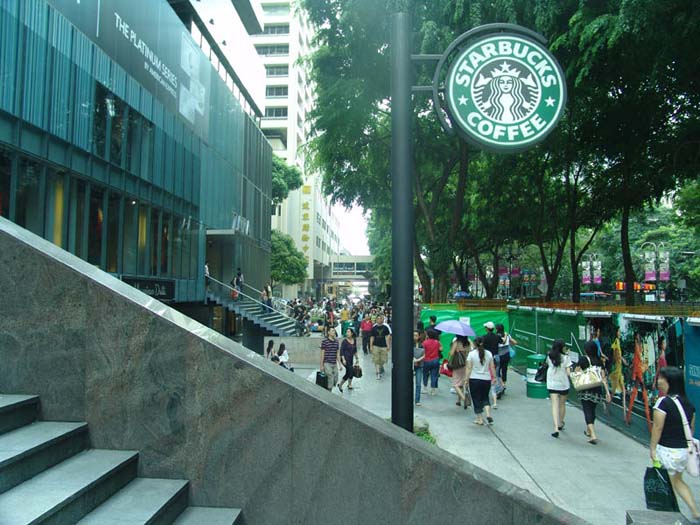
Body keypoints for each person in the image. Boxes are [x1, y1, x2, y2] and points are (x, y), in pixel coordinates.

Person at [650, 366, 700, 521]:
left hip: (667, 451)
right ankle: (695, 511)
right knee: (677, 482)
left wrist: (652, 448)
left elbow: (657, 428)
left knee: (667, 486)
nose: (658, 381)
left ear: (669, 381)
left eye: (661, 378)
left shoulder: (663, 403)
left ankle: (673, 516)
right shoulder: (689, 405)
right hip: (683, 452)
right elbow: (691, 429)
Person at [576, 342, 611, 444]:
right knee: (592, 410)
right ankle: (588, 431)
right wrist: (607, 392)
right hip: (597, 389)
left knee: (587, 410)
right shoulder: (599, 361)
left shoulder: (583, 359)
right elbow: (603, 378)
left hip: (586, 389)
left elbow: (577, 372)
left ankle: (593, 435)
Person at [465, 337, 496, 426]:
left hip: (474, 379)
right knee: (485, 397)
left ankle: (480, 419)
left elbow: (469, 367)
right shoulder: (489, 353)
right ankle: (488, 414)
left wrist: (466, 379)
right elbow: (492, 366)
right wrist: (494, 377)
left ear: (475, 344)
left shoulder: (471, 354)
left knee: (476, 398)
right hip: (486, 379)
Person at [546, 339, 571, 438]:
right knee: (562, 404)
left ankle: (555, 428)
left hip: (552, 383)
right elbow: (568, 373)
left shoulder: (549, 356)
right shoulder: (566, 358)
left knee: (554, 405)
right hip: (563, 384)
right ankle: (560, 422)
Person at [496, 323, 517, 397]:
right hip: (506, 355)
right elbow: (515, 342)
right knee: (504, 370)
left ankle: (500, 385)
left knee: (497, 371)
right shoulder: (507, 335)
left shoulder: (496, 336)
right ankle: (504, 384)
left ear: (497, 329)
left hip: (499, 355)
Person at [609, 327, 628, 411]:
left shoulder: (618, 342)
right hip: (617, 369)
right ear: (616, 333)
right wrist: (622, 360)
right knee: (613, 391)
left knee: (623, 390)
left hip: (619, 369)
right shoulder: (616, 342)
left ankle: (624, 407)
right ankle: (607, 406)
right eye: (619, 331)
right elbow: (616, 355)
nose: (620, 333)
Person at [448, 335, 470, 408]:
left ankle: (464, 399)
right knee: (461, 383)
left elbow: (451, 353)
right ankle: (458, 400)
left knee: (456, 384)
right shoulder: (468, 343)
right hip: (466, 364)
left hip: (457, 365)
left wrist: (450, 351)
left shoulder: (456, 342)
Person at [369, 314, 392, 380]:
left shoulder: (385, 327)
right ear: (376, 320)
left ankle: (381, 366)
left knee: (383, 360)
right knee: (376, 360)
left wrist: (388, 345)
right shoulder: (374, 328)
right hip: (376, 345)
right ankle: (378, 373)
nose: (379, 320)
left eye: (380, 318)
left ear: (382, 319)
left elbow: (387, 337)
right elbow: (372, 337)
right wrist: (371, 346)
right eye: (378, 318)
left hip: (383, 346)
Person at [482, 322, 502, 396]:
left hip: (487, 357)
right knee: (496, 373)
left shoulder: (484, 337)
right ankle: (498, 389)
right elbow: (502, 342)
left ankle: (486, 389)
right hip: (496, 356)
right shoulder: (497, 336)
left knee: (486, 373)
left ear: (487, 329)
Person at [319, 327, 341, 392]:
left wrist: (340, 364)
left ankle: (328, 388)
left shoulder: (336, 342)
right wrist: (321, 365)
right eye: (332, 331)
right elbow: (322, 354)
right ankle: (329, 392)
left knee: (336, 377)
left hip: (334, 363)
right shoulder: (324, 341)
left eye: (334, 331)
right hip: (327, 362)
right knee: (330, 376)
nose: (334, 332)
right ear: (328, 332)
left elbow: (337, 354)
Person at [422, 328, 442, 395]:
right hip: (435, 360)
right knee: (434, 375)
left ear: (428, 335)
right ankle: (433, 390)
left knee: (425, 374)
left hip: (426, 360)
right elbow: (441, 349)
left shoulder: (425, 342)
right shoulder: (437, 342)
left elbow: (422, 351)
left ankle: (425, 388)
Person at [338, 328, 357, 392]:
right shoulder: (344, 341)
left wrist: (357, 358)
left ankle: (343, 384)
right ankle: (341, 385)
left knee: (348, 372)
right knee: (350, 372)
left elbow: (355, 350)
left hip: (350, 358)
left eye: (348, 332)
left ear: (352, 333)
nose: (347, 333)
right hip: (344, 358)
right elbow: (341, 351)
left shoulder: (354, 340)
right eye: (346, 332)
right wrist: (343, 360)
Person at [413, 330, 425, 406]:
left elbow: (425, 354)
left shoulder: (422, 345)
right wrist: (414, 359)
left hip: (419, 365)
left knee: (418, 383)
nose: (414, 337)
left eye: (416, 335)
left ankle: (417, 400)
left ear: (419, 336)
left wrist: (418, 360)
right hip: (411, 365)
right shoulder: (409, 344)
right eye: (413, 335)